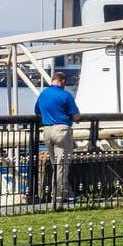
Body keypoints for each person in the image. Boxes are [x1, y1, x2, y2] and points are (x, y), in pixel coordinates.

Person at [34, 71, 79, 206]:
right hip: (61, 131)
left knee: (56, 165)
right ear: (63, 81)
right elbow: (76, 115)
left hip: (47, 131)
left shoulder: (43, 94)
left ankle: (66, 192)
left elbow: (37, 111)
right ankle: (58, 197)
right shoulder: (65, 95)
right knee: (62, 165)